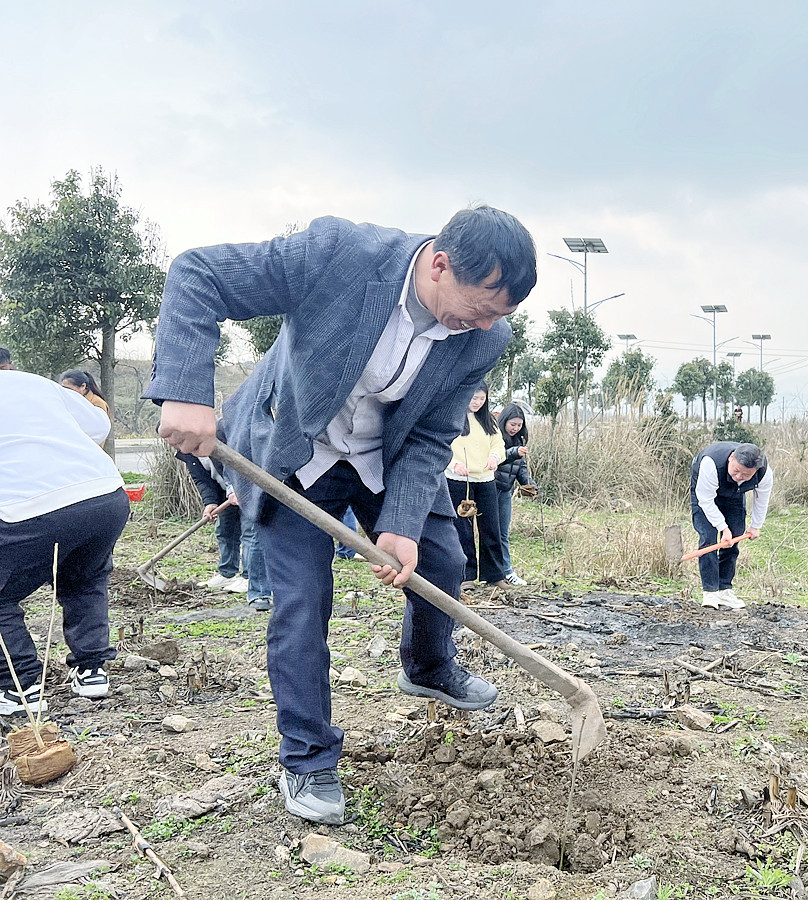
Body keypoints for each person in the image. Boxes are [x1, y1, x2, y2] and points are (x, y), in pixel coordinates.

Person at [145, 206, 536, 826]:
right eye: (483, 306)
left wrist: (402, 524)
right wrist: (188, 391)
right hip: (297, 449)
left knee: (442, 558)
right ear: (439, 265)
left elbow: (435, 433)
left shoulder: (482, 338)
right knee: (302, 602)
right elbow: (199, 275)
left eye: (501, 316)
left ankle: (429, 667)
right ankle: (306, 759)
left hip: (387, 454)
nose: (486, 325)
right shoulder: (339, 255)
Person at [0, 370, 128, 715]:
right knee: (84, 579)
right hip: (103, 495)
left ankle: (18, 686)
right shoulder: (36, 383)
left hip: (30, 505)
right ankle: (91, 671)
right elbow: (99, 426)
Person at [176, 451, 272, 610]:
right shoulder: (187, 453)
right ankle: (227, 573)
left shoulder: (215, 440)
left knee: (250, 533)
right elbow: (202, 479)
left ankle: (248, 576)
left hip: (249, 487)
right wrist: (210, 502)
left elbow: (237, 464)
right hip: (226, 493)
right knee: (224, 530)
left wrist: (237, 488)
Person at [689, 442, 773, 610]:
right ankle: (710, 592)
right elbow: (705, 500)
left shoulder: (764, 473)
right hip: (705, 492)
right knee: (709, 538)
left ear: (755, 471)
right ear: (731, 458)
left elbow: (761, 499)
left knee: (734, 537)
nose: (739, 477)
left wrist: (756, 526)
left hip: (734, 495)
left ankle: (724, 589)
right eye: (736, 471)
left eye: (746, 475)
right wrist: (722, 528)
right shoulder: (710, 463)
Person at [445, 386, 506, 588]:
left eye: (481, 398)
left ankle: (495, 575)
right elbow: (441, 447)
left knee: (490, 527)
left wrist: (494, 458)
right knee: (462, 528)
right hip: (458, 480)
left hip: (486, 479)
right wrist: (454, 464)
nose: (477, 402)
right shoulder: (451, 417)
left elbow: (499, 445)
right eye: (474, 397)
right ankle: (466, 576)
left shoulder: (490, 420)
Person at [494, 403, 537, 586]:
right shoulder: (495, 435)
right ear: (504, 421)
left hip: (505, 491)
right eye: (512, 424)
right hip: (489, 488)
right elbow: (495, 458)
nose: (515, 428)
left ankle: (506, 572)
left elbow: (521, 468)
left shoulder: (519, 440)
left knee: (503, 533)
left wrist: (529, 484)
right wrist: (513, 452)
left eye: (519, 425)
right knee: (489, 533)